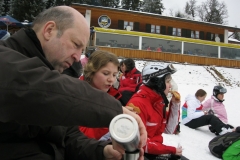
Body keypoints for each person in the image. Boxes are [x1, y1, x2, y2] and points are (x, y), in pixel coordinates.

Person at [0, 6, 147, 160]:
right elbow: (41, 88)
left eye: (82, 50)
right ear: (49, 30)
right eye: (76, 45)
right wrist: (115, 111)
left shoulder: (53, 78)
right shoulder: (6, 60)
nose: (78, 57)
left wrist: (103, 152)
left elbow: (69, 138)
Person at [127, 63, 185, 160]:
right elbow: (138, 143)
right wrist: (170, 150)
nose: (170, 86)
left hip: (154, 149)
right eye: (167, 81)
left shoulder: (158, 101)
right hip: (141, 153)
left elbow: (169, 130)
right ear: (157, 82)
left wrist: (175, 106)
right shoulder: (138, 104)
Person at [79, 50, 122, 140]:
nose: (111, 79)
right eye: (106, 73)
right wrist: (111, 119)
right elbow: (80, 136)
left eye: (114, 75)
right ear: (91, 72)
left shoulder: (111, 95)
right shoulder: (77, 95)